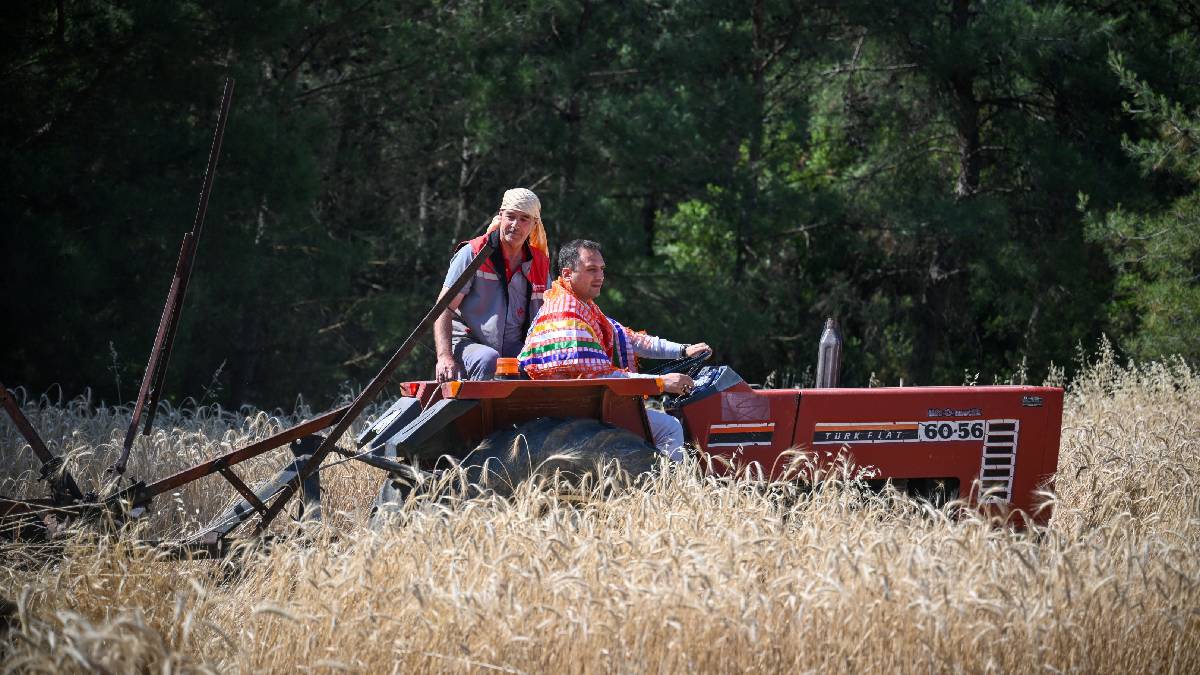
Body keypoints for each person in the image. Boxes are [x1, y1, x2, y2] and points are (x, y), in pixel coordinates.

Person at [518, 239, 710, 460]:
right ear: (568, 273)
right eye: (591, 270)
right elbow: (604, 377)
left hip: (583, 406)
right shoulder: (567, 317)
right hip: (577, 413)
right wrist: (661, 383)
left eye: (602, 269)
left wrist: (683, 351)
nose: (600, 276)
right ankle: (668, 490)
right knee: (669, 427)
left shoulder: (579, 304)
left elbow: (629, 338)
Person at [434, 188, 552, 382]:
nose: (515, 225)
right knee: (490, 360)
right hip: (468, 343)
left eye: (524, 219)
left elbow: (548, 318)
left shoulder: (540, 263)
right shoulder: (474, 254)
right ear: (500, 216)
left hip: (514, 348)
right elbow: (442, 309)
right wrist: (444, 357)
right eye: (511, 216)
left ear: (534, 224)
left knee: (542, 364)